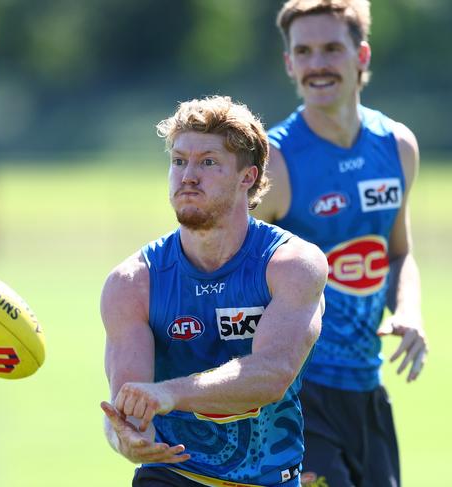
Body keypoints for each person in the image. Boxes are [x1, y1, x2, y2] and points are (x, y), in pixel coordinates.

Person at [100, 95, 329, 487]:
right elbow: (127, 408)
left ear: (248, 177)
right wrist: (127, 438)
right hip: (172, 474)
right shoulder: (133, 282)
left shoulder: (291, 265)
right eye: (178, 161)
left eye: (207, 162)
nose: (187, 175)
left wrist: (169, 394)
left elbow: (270, 376)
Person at [252, 1, 428, 486]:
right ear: (289, 63)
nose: (317, 64)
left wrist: (409, 310)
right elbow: (223, 274)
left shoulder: (397, 146)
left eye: (331, 48)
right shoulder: (273, 164)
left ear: (362, 55)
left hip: (368, 392)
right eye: (303, 51)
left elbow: (398, 252)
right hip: (300, 400)